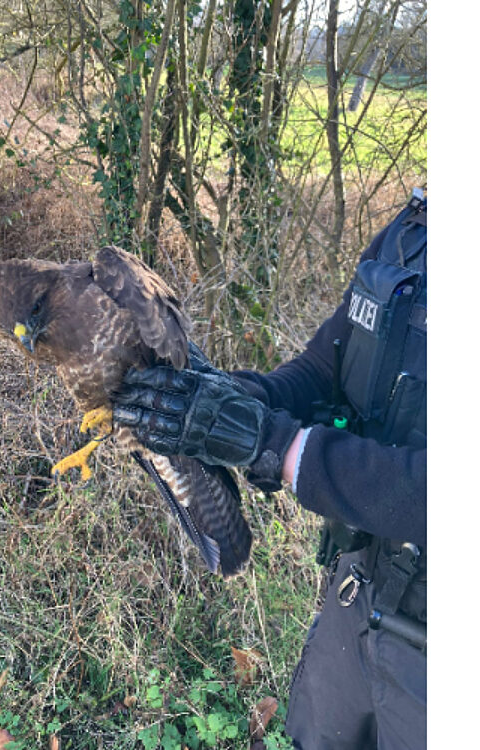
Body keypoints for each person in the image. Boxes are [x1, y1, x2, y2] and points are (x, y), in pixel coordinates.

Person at [111, 191, 427, 750]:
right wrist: (240, 400)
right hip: (360, 587)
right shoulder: (413, 232)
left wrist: (277, 446)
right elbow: (327, 363)